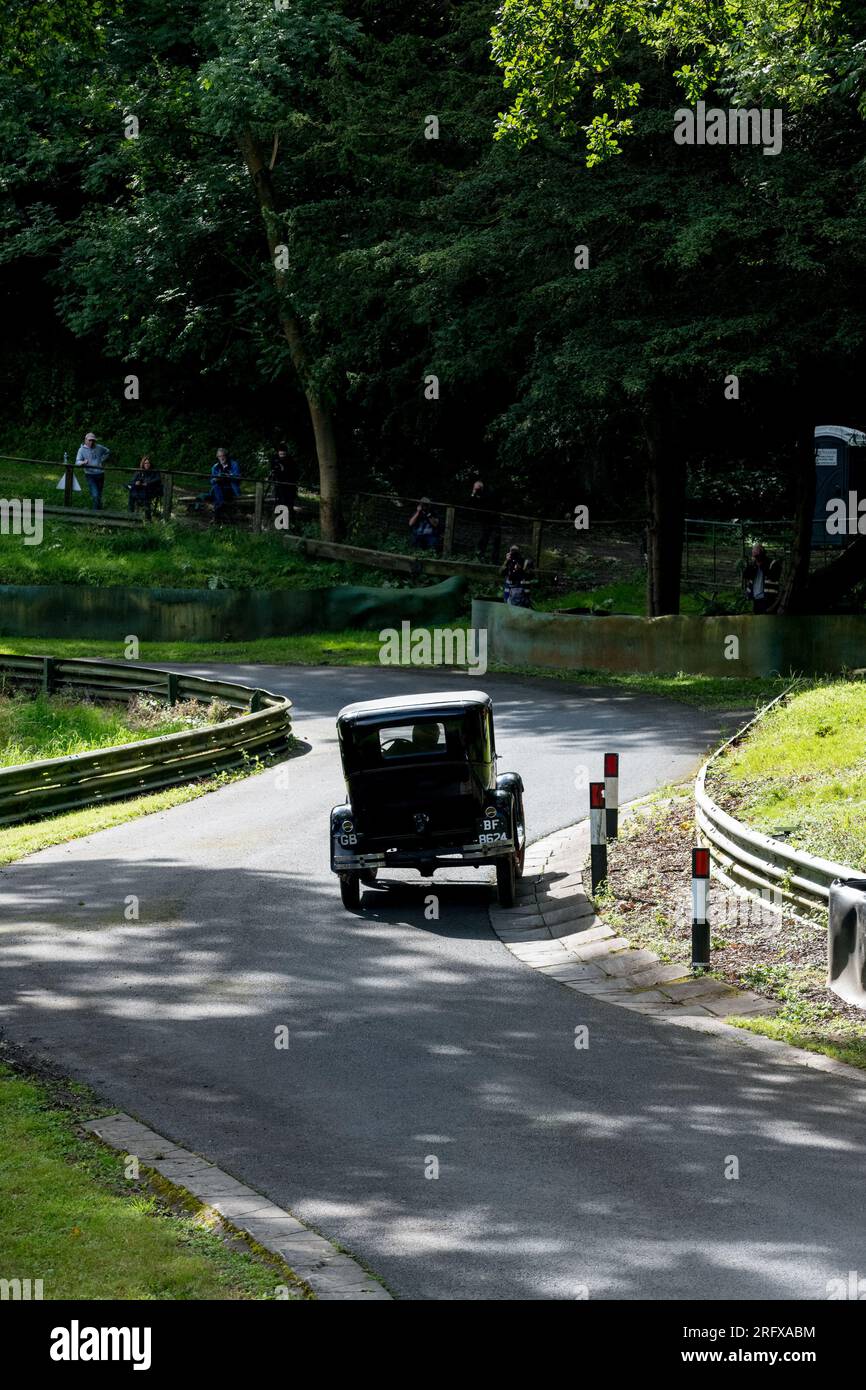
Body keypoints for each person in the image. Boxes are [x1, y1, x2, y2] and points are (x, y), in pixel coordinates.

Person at [75, 430, 111, 510]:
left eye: (93, 440)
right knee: (95, 494)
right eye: (90, 440)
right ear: (85, 440)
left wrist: (102, 459)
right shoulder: (81, 450)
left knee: (99, 494)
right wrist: (83, 462)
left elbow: (108, 451)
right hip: (90, 475)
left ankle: (99, 511)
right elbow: (77, 462)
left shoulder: (99, 447)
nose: (91, 442)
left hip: (100, 474)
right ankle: (95, 514)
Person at [468, 478, 501, 562]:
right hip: (484, 520)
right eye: (474, 487)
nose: (475, 489)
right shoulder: (477, 493)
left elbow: (489, 503)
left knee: (496, 537)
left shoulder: (489, 492)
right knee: (484, 537)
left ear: (480, 486)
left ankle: (494, 557)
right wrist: (473, 493)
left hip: (493, 518)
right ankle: (481, 553)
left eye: (476, 487)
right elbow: (470, 504)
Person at [743, 543, 780, 614]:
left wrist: (761, 563)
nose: (755, 555)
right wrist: (753, 564)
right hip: (755, 599)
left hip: (768, 599)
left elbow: (773, 577)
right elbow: (746, 575)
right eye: (753, 552)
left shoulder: (772, 563)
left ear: (762, 553)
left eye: (756, 552)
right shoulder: (754, 565)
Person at [269, 442, 298, 528]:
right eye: (280, 453)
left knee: (288, 504)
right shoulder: (275, 459)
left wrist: (284, 470)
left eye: (283, 454)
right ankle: (279, 523)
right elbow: (273, 470)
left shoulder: (290, 460)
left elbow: (293, 474)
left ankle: (288, 523)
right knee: (279, 503)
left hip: (289, 486)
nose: (281, 455)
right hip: (278, 485)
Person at [127, 455, 163, 520]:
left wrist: (148, 483)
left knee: (145, 496)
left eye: (148, 463)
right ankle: (130, 515)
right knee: (131, 493)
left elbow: (158, 479)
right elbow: (131, 481)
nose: (147, 464)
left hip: (151, 491)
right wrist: (136, 483)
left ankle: (147, 518)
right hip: (140, 490)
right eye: (145, 463)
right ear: (143, 464)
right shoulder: (140, 471)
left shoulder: (154, 471)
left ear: (150, 464)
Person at [210, 447, 241, 522]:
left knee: (217, 491)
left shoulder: (234, 464)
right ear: (217, 457)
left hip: (231, 488)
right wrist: (216, 479)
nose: (221, 458)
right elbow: (211, 481)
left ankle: (216, 516)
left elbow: (238, 478)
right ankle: (221, 508)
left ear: (226, 456)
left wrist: (228, 476)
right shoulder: (215, 467)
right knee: (216, 487)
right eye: (219, 456)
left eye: (223, 456)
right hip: (219, 488)